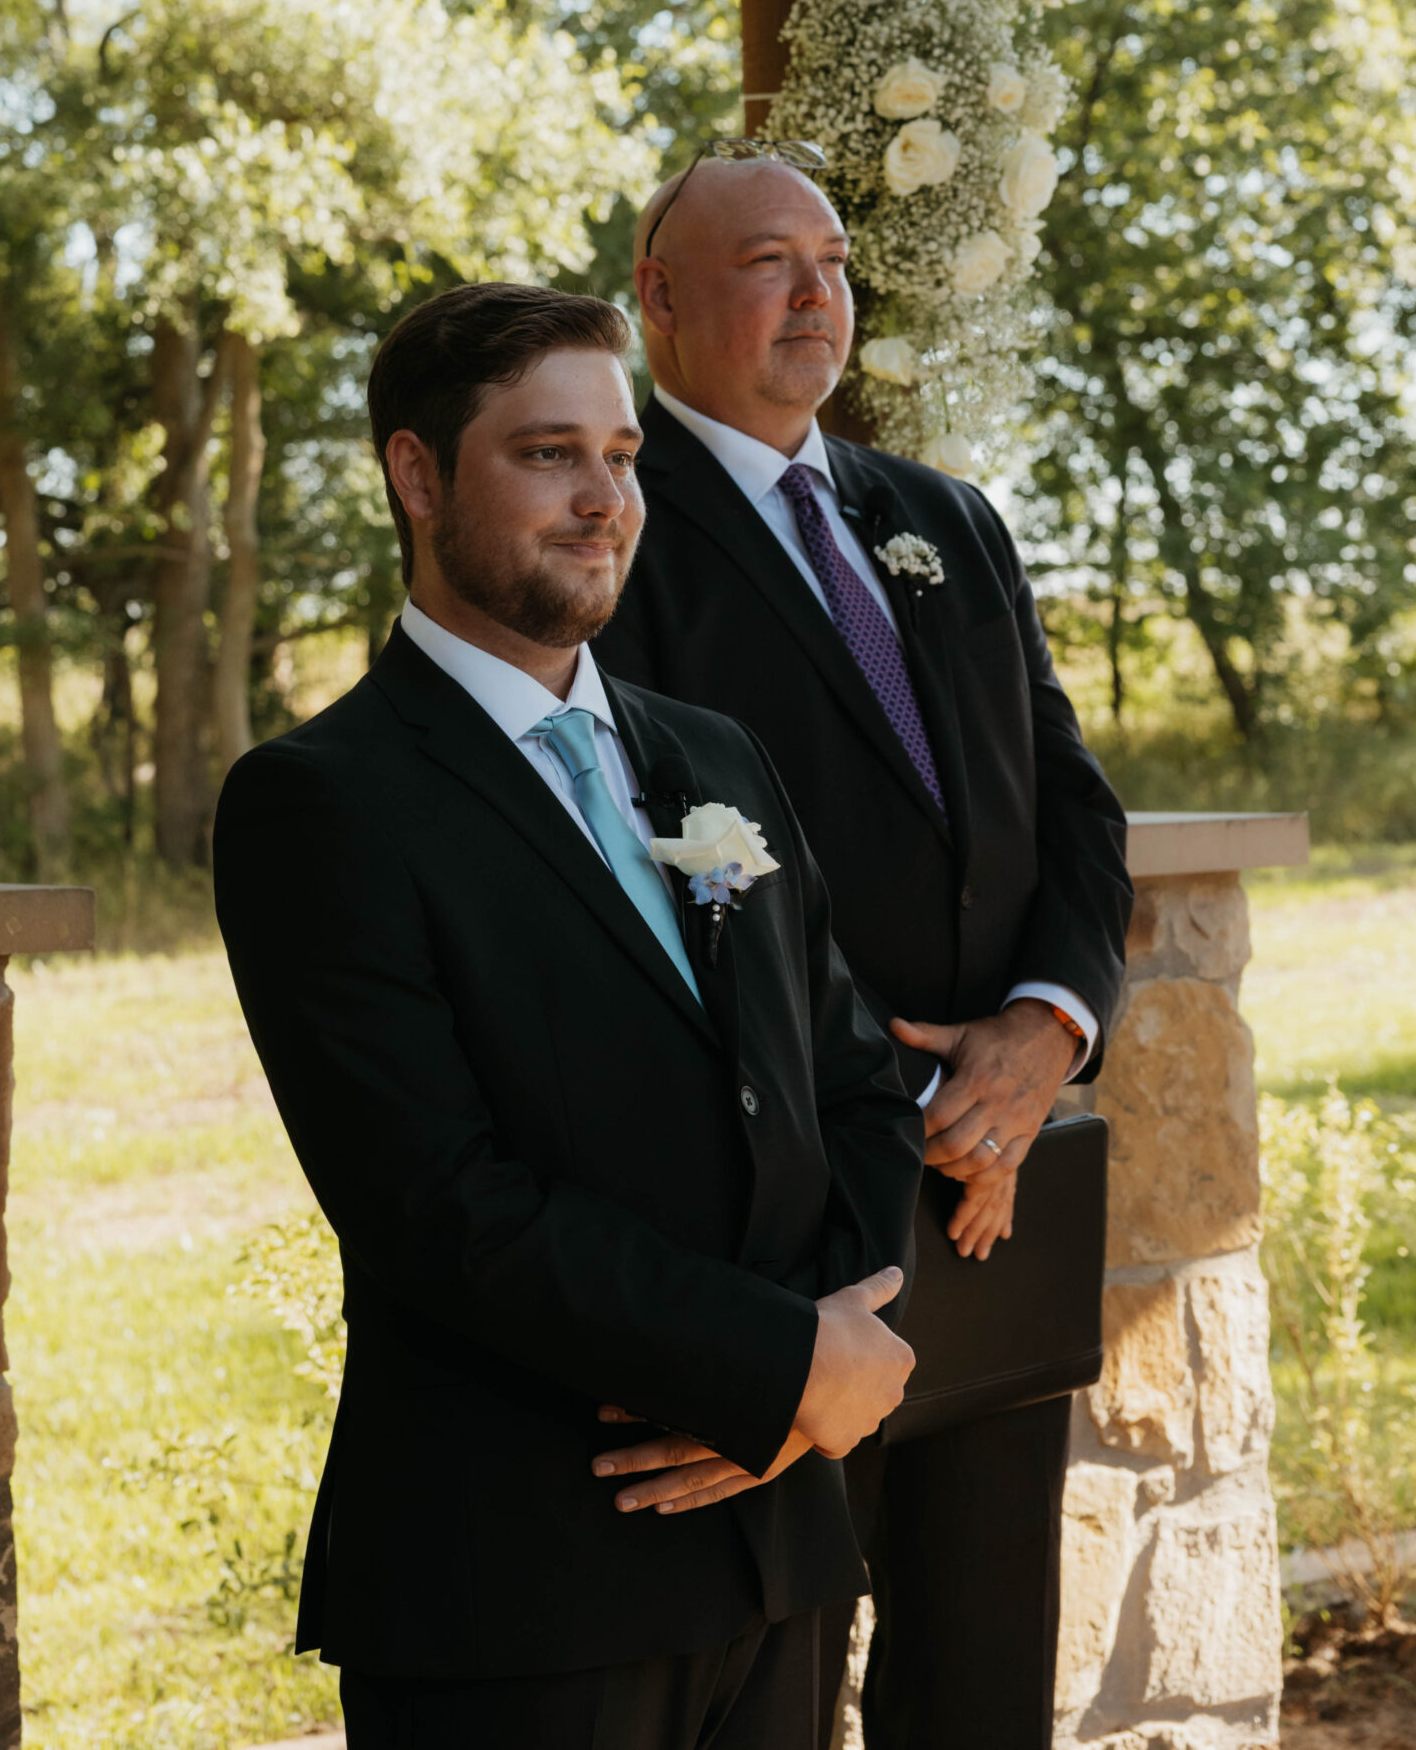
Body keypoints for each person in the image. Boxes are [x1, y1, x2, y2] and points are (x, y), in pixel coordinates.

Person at [214, 280, 927, 1750]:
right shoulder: (323, 804)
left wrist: (809, 1379)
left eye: (621, 456)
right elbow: (437, 1205)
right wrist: (767, 1368)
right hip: (525, 1582)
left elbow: (851, 1085)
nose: (605, 499)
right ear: (418, 477)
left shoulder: (715, 755)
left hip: (778, 1548)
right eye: (549, 455)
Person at [593, 145, 1134, 1750]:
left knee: (982, 1674)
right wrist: (887, 1097)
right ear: (660, 296)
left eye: (831, 262)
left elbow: (1071, 803)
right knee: (773, 1677)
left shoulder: (944, 520)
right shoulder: (613, 530)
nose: (816, 293)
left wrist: (1044, 1028)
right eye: (769, 261)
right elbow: (619, 877)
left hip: (994, 1199)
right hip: (779, 1219)